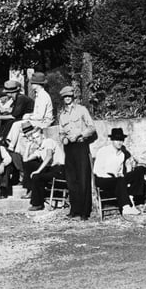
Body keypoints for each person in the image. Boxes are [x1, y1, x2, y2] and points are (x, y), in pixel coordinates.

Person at [58, 85, 97, 220]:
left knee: (83, 178)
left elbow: (92, 128)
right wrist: (63, 139)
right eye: (65, 97)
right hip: (69, 148)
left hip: (81, 146)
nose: (67, 99)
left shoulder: (81, 110)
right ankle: (74, 210)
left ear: (73, 97)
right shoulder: (62, 114)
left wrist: (80, 134)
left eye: (69, 96)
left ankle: (85, 212)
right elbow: (61, 132)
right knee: (71, 180)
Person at [93, 127, 143, 215]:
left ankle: (131, 200)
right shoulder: (103, 151)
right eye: (117, 140)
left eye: (121, 140)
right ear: (112, 140)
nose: (120, 142)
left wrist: (124, 171)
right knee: (119, 180)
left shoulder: (122, 154)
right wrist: (112, 176)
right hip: (102, 179)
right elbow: (97, 171)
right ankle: (126, 207)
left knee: (139, 171)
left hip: (117, 180)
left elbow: (120, 171)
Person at [7, 72, 52, 153]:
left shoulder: (43, 96)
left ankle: (11, 146)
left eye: (33, 83)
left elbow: (40, 116)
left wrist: (29, 117)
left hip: (44, 122)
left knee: (17, 124)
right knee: (16, 124)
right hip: (38, 120)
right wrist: (30, 115)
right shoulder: (39, 95)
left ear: (38, 84)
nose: (31, 84)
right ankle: (11, 144)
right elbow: (37, 113)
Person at [27, 131, 66, 212]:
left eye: (37, 137)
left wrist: (38, 171)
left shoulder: (48, 141)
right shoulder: (40, 148)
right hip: (52, 170)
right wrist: (28, 146)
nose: (36, 140)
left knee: (37, 176)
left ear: (42, 136)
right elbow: (26, 159)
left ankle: (37, 204)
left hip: (60, 169)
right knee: (32, 169)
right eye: (34, 138)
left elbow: (49, 156)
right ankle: (36, 200)